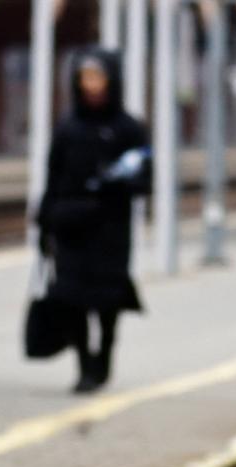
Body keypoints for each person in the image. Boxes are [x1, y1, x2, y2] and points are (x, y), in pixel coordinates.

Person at [37, 49, 150, 394]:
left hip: (110, 229)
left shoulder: (128, 129)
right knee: (73, 299)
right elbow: (52, 177)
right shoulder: (68, 128)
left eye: (98, 78)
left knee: (107, 300)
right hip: (71, 226)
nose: (92, 86)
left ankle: (105, 358)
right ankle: (85, 365)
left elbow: (144, 179)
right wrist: (44, 224)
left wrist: (117, 181)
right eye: (86, 78)